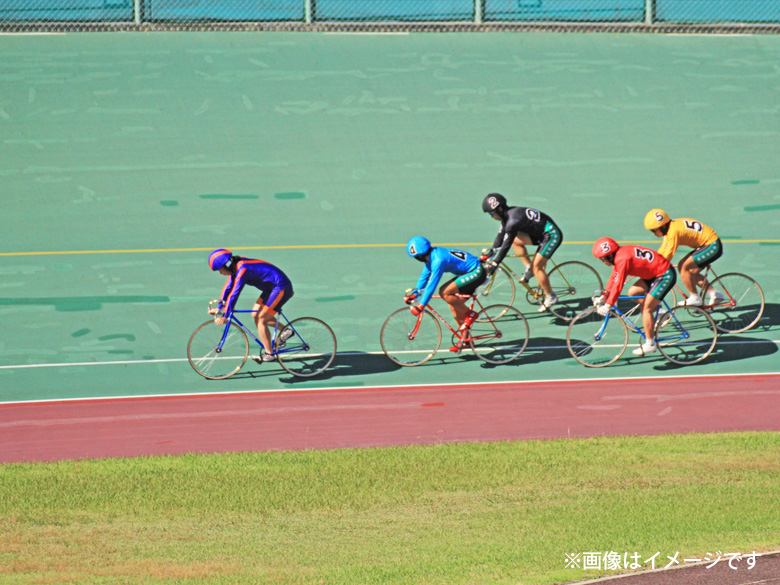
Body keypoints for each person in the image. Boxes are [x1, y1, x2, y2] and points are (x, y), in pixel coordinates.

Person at [592, 237, 677, 356]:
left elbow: (618, 284)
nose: (603, 262)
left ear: (609, 256)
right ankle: (659, 311)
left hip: (664, 275)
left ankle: (650, 344)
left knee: (646, 309)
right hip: (654, 275)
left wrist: (608, 304)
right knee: (633, 292)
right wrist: (604, 295)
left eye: (602, 259)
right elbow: (613, 278)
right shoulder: (620, 255)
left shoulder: (622, 259)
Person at [208, 248, 294, 363]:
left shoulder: (242, 269)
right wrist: (220, 308)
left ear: (226, 266)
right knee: (255, 314)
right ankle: (285, 331)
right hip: (270, 288)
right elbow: (228, 288)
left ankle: (269, 354)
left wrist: (225, 315)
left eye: (220, 270)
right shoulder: (235, 267)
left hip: (281, 287)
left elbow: (235, 293)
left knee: (261, 319)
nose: (220, 273)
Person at [481, 193, 563, 312]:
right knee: (515, 241)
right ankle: (529, 267)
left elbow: (506, 245)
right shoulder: (507, 216)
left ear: (499, 209)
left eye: (491, 213)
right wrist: (491, 253)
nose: (491, 216)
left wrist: (495, 263)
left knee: (537, 267)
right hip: (539, 234)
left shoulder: (512, 221)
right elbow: (500, 237)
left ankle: (551, 296)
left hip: (551, 234)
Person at [405, 236, 487, 351]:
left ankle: (471, 314)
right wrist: (415, 293)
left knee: (444, 292)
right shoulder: (432, 256)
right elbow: (424, 276)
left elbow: (432, 284)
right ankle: (466, 340)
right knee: (454, 306)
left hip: (476, 271)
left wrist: (421, 305)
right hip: (468, 273)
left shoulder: (438, 260)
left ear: (419, 256)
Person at [644, 209, 724, 307]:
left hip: (712, 246)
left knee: (683, 266)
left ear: (663, 226)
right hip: (708, 245)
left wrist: (655, 270)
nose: (653, 233)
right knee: (690, 274)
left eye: (654, 230)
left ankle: (695, 297)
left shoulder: (673, 232)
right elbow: (663, 249)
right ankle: (714, 294)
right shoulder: (671, 227)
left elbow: (668, 254)